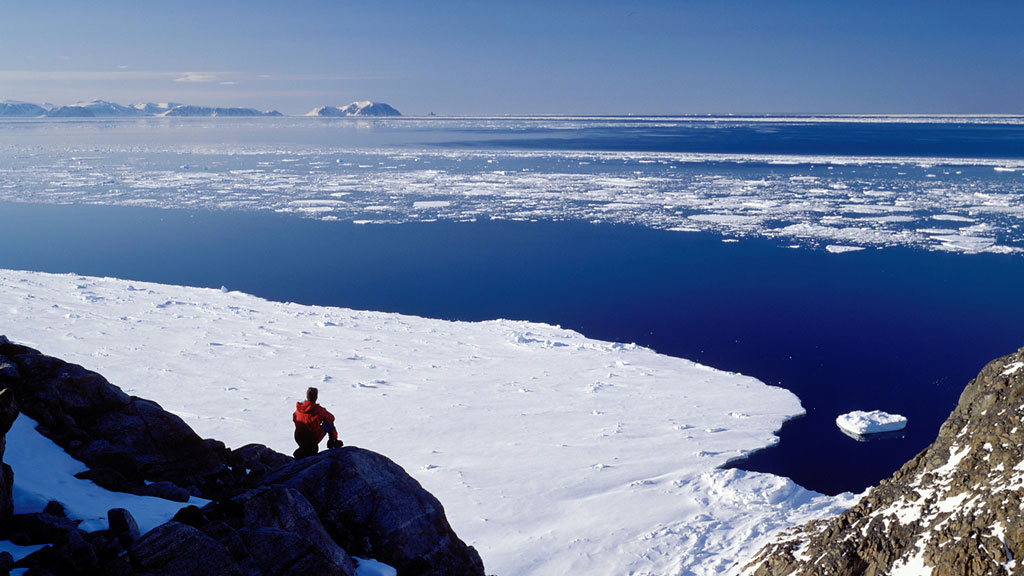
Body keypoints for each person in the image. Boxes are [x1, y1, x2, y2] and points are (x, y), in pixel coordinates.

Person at [292, 386, 342, 459]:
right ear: (316, 397)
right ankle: (333, 442)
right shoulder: (318, 410)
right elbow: (331, 418)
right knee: (330, 424)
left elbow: (295, 418)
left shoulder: (298, 409)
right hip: (312, 439)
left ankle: (303, 450)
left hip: (299, 438)